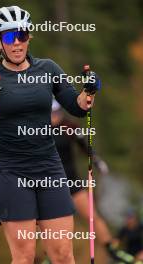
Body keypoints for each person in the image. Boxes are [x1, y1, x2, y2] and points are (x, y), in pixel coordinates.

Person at [0, 6, 99, 264]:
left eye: (22, 35)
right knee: (25, 256)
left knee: (63, 254)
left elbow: (78, 106)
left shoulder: (48, 68)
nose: (16, 43)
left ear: (29, 37)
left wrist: (90, 90)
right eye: (8, 37)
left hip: (49, 168)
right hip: (10, 171)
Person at [45, 99, 139, 264]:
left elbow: (85, 147)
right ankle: (51, 256)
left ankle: (112, 251)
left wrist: (96, 161)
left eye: (57, 112)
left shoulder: (69, 127)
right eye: (51, 113)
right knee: (50, 225)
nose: (55, 116)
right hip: (50, 186)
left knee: (92, 216)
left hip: (72, 182)